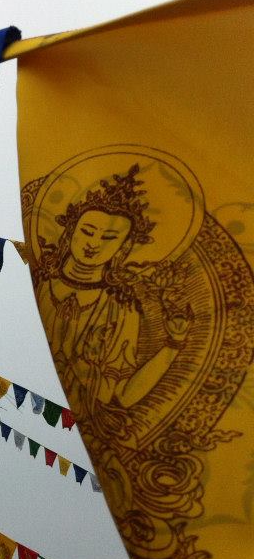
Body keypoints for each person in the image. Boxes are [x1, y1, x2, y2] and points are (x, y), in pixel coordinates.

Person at [33, 164, 191, 423]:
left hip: (77, 426)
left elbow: (122, 396)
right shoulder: (40, 280)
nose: (93, 244)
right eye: (87, 231)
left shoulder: (121, 308)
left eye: (109, 238)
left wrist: (173, 344)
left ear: (123, 248)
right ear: (70, 231)